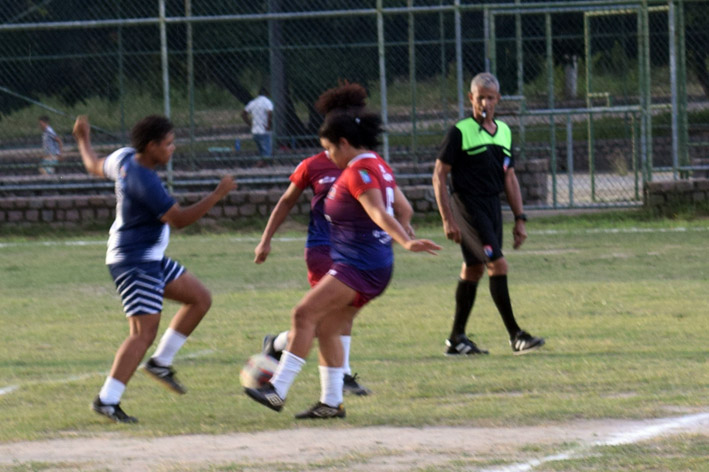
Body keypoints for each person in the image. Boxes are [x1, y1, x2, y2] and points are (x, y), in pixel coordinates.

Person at [245, 83, 440, 419]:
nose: (329, 156)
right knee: (328, 328)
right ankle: (331, 402)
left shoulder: (359, 171)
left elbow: (381, 212)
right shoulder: (377, 163)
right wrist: (396, 237)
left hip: (359, 267)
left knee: (303, 315)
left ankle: (277, 390)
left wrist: (405, 240)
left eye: (330, 149)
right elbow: (402, 208)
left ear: (345, 143)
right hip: (370, 265)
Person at [73, 114, 236, 423]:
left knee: (200, 298)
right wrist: (217, 194)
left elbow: (93, 164)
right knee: (141, 333)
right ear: (151, 147)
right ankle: (107, 400)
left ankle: (161, 362)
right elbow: (179, 220)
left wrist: (83, 138)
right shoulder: (144, 180)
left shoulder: (123, 157)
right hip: (134, 260)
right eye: (169, 144)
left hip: (149, 258)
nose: (172, 149)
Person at [432, 72, 545, 356]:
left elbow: (509, 178)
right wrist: (447, 218)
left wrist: (520, 219)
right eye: (479, 97)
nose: (485, 102)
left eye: (490, 97)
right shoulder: (460, 131)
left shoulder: (504, 132)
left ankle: (456, 339)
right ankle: (515, 335)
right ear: (470, 98)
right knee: (498, 264)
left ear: (498, 100)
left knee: (474, 268)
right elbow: (438, 175)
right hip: (467, 207)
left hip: (492, 207)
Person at [241, 87, 274, 159]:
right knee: (267, 150)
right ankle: (262, 162)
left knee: (261, 149)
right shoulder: (267, 102)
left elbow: (243, 114)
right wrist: (269, 125)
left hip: (255, 130)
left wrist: (250, 124)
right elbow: (270, 113)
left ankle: (263, 162)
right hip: (264, 130)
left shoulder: (253, 102)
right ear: (267, 94)